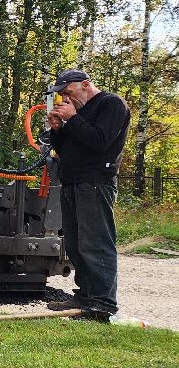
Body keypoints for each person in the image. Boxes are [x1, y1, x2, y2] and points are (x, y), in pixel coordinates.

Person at [44, 69, 131, 322]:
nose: (65, 99)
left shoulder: (111, 104)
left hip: (95, 182)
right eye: (61, 95)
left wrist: (72, 118)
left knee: (96, 243)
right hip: (71, 181)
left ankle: (103, 303)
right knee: (75, 243)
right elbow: (61, 148)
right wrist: (57, 129)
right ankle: (85, 296)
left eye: (68, 93)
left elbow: (99, 141)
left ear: (85, 84)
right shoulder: (77, 113)